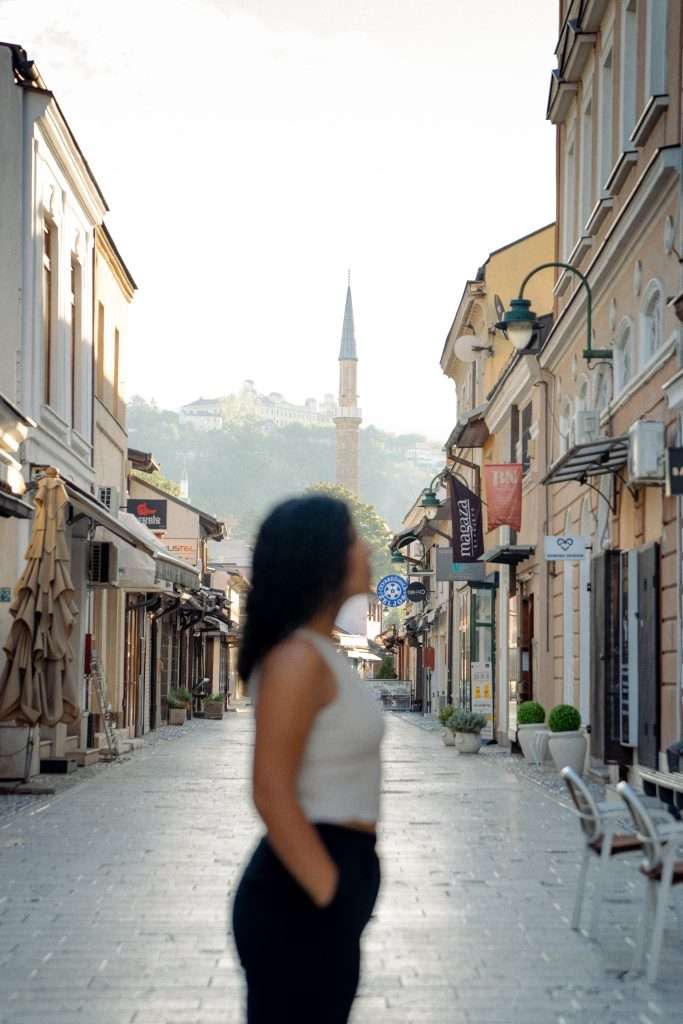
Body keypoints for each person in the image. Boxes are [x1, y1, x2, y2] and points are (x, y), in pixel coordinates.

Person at [232, 494, 385, 1023]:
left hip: (332, 879)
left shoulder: (322, 652)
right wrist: (330, 892)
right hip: (300, 894)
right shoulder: (298, 658)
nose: (367, 549)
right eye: (353, 539)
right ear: (324, 558)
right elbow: (270, 789)